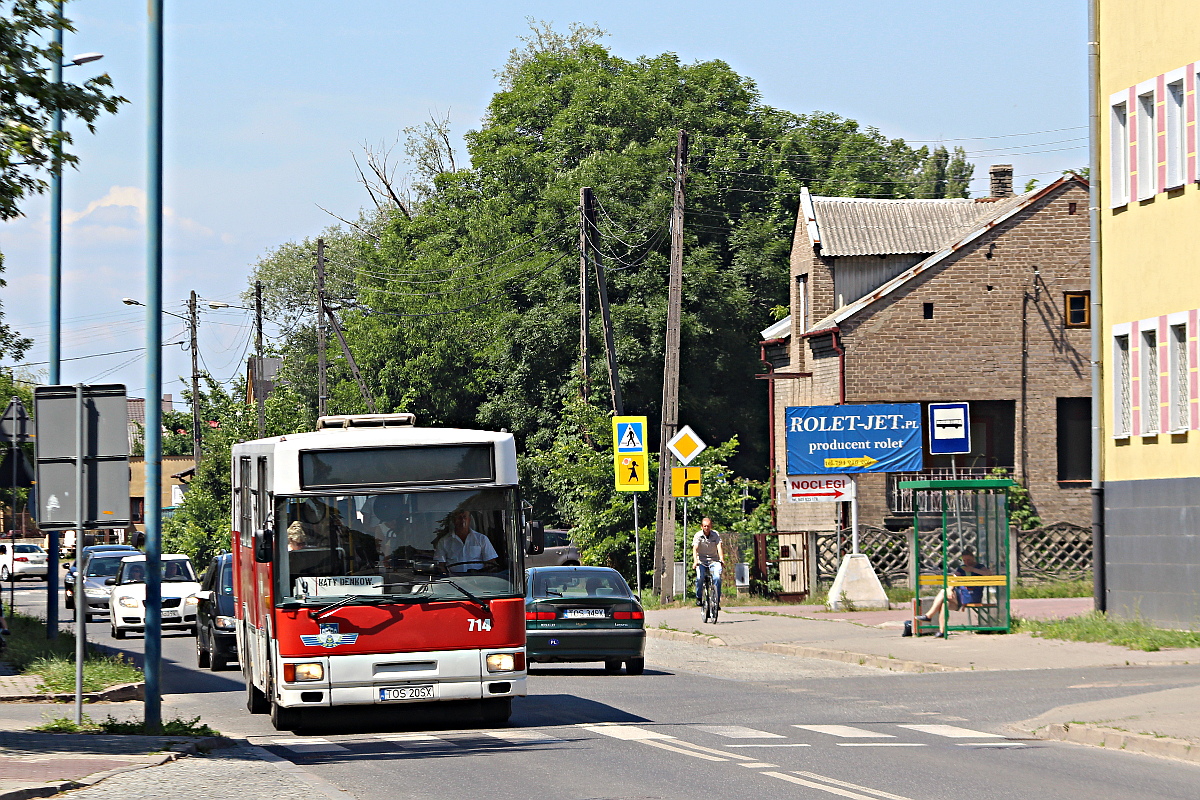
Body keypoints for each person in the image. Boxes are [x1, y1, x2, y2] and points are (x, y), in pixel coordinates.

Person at [919, 547, 993, 636]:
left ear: (973, 558)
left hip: (973, 596)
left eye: (968, 560)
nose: (967, 562)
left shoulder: (979, 567)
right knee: (944, 603)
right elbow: (954, 578)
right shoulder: (962, 568)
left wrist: (973, 570)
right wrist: (950, 589)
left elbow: (988, 574)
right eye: (964, 560)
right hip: (961, 596)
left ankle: (929, 616)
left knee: (943, 592)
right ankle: (942, 631)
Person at [434, 510, 499, 573]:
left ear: (469, 519)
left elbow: (491, 563)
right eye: (459, 517)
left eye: (465, 517)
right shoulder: (444, 541)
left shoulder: (482, 539)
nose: (462, 520)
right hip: (453, 580)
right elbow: (440, 565)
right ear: (454, 520)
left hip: (478, 579)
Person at [692, 517, 724, 608]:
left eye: (708, 526)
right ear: (701, 526)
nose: (707, 528)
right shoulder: (698, 535)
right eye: (705, 526)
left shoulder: (715, 535)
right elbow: (695, 548)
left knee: (717, 578)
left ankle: (716, 601)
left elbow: (719, 546)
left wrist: (721, 559)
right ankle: (699, 597)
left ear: (711, 526)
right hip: (701, 561)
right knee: (699, 578)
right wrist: (695, 561)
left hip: (713, 560)